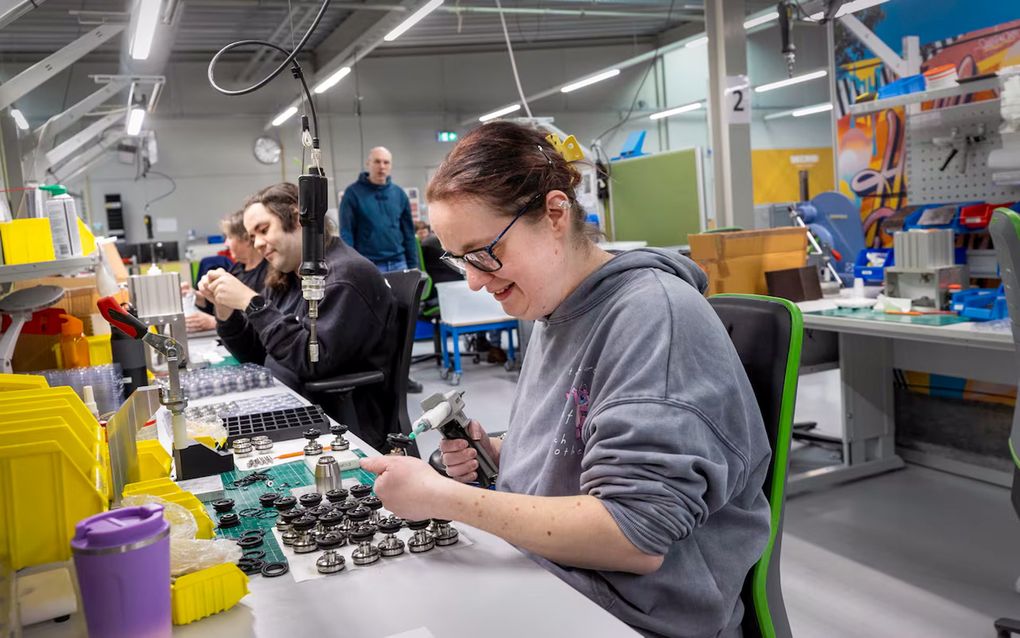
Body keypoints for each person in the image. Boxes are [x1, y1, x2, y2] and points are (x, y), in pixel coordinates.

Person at [360, 121, 771, 638]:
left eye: (484, 252)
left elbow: (635, 536)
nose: (474, 279)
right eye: (457, 258)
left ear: (555, 213)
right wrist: (502, 449)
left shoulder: (653, 317)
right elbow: (580, 444)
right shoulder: (553, 310)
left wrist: (440, 497)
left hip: (627, 613)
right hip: (551, 576)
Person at [199, 182, 398, 448]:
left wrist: (252, 302)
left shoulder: (345, 277)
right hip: (292, 405)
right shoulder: (288, 277)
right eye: (252, 236)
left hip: (333, 424)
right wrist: (225, 312)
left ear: (297, 218)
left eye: (263, 230)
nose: (257, 243)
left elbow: (312, 362)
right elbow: (257, 353)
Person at [340, 147, 420, 272]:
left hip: (399, 263)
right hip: (368, 265)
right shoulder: (352, 194)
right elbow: (346, 233)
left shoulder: (399, 194)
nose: (382, 166)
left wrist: (414, 265)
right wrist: (350, 266)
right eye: (377, 161)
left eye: (386, 162)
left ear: (390, 166)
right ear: (368, 164)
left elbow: (408, 233)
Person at [187, 209, 267, 333]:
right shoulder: (237, 270)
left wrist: (213, 322)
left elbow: (265, 319)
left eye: (229, 237)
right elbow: (225, 307)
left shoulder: (269, 275)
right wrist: (199, 297)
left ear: (246, 239)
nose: (226, 243)